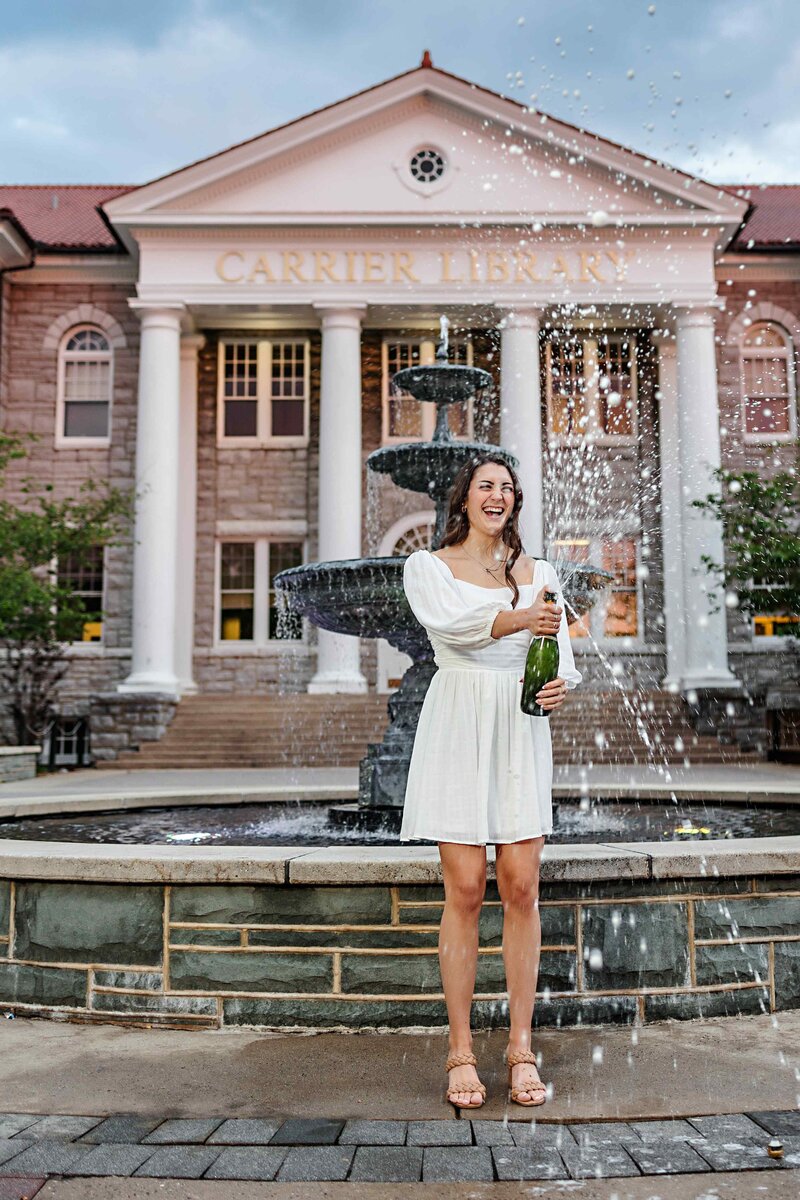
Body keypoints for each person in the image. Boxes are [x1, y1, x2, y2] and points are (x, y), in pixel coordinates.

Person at [399, 452, 582, 1110]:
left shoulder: (543, 574)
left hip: (519, 724)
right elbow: (451, 629)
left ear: (515, 501)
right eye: (485, 485)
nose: (496, 495)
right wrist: (518, 619)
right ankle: (459, 1049)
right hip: (459, 719)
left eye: (507, 487)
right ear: (465, 498)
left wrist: (560, 684)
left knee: (522, 885)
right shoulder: (429, 567)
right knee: (468, 888)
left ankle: (521, 1046)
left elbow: (560, 651)